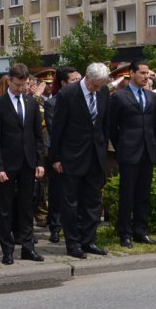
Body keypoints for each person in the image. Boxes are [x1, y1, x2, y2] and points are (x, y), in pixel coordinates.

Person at [49, 62, 111, 258]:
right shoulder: (68, 94)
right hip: (72, 156)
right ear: (87, 78)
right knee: (71, 203)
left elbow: (104, 124)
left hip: (95, 155)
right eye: (95, 85)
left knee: (93, 201)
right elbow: (57, 128)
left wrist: (102, 147)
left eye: (101, 85)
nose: (98, 89)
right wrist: (56, 157)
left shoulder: (103, 92)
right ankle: (73, 244)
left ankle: (89, 240)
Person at [0, 63, 46, 264]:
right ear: (9, 81)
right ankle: (7, 250)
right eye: (17, 85)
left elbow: (37, 136)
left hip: (28, 163)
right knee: (5, 209)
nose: (21, 88)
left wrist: (39, 162)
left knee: (27, 207)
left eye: (25, 85)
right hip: (7, 164)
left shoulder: (31, 103)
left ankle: (28, 247)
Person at [108, 60, 156, 247]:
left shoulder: (151, 96)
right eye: (143, 73)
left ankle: (141, 230)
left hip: (147, 150)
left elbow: (154, 124)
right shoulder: (120, 97)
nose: (146, 77)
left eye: (148, 73)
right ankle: (125, 233)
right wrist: (121, 146)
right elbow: (113, 127)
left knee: (143, 194)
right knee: (127, 195)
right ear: (132, 73)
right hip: (129, 151)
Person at [44, 67, 80, 242]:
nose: (78, 83)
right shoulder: (52, 103)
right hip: (61, 154)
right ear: (64, 83)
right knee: (57, 194)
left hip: (79, 154)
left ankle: (74, 226)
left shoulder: (83, 99)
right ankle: (55, 227)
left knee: (76, 193)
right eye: (74, 80)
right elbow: (54, 130)